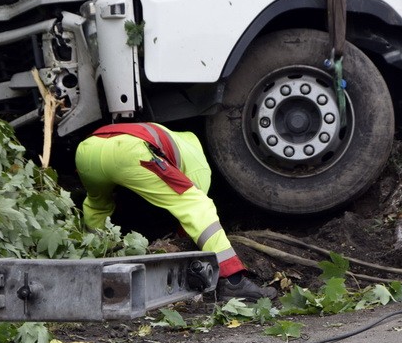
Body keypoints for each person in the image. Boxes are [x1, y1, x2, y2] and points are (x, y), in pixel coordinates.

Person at [75, 122, 277, 300]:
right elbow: (191, 211)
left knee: (97, 206)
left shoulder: (179, 140)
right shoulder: (199, 164)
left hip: (87, 150)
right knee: (198, 205)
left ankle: (89, 271)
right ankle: (233, 280)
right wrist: (183, 240)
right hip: (127, 150)